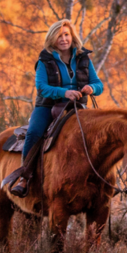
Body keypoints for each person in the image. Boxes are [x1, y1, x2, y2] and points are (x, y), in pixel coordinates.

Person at [8, 19, 104, 197]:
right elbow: (42, 87)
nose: (64, 39)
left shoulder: (83, 57)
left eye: (66, 34)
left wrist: (92, 88)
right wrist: (64, 93)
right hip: (47, 105)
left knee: (98, 135)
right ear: (52, 39)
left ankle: (99, 178)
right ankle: (25, 177)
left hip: (78, 106)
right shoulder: (44, 60)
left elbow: (98, 84)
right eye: (59, 36)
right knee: (34, 132)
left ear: (72, 36)